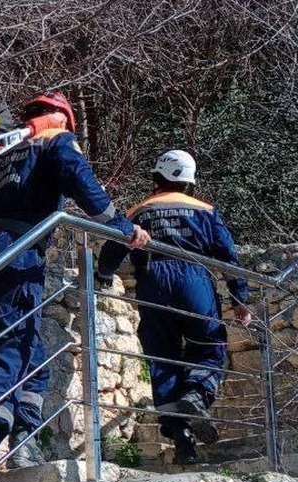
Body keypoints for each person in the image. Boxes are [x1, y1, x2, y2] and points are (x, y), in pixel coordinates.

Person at [0, 90, 150, 482]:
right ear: (63, 118)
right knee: (8, 347)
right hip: (17, 248)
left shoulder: (0, 148)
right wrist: (123, 227)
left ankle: (24, 445)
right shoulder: (55, 139)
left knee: (32, 354)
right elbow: (84, 186)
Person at [97, 150, 251, 465]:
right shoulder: (206, 211)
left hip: (153, 283)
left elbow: (115, 242)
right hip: (195, 281)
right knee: (208, 345)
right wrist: (239, 298)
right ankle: (196, 394)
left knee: (163, 357)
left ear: (157, 178)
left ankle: (180, 436)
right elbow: (228, 257)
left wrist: (104, 274)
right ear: (190, 182)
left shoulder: (140, 209)